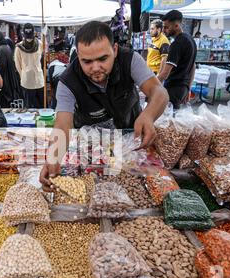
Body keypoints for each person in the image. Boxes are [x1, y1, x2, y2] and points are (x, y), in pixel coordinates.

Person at [39, 21, 168, 191]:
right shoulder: (68, 82)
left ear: (114, 50)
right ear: (78, 55)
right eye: (87, 61)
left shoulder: (129, 59)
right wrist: (53, 158)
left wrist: (149, 115)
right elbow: (63, 125)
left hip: (132, 142)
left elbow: (159, 92)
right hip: (93, 149)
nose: (95, 68)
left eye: (103, 59)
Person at [157, 10, 197, 109]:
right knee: (173, 119)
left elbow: (165, 73)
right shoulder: (190, 40)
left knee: (168, 121)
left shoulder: (177, 44)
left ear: (176, 25)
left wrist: (150, 86)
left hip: (174, 88)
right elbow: (193, 66)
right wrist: (188, 88)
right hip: (183, 88)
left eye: (167, 27)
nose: (164, 30)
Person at [14, 23, 45, 108]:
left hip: (28, 80)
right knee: (41, 107)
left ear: (23, 33)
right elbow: (43, 55)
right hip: (38, 79)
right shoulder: (40, 44)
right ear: (34, 32)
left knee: (29, 108)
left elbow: (18, 65)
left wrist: (23, 74)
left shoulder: (18, 47)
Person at [0, 30, 23, 108]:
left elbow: (1, 66)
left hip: (5, 81)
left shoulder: (1, 49)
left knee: (5, 104)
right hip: (7, 80)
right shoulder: (4, 48)